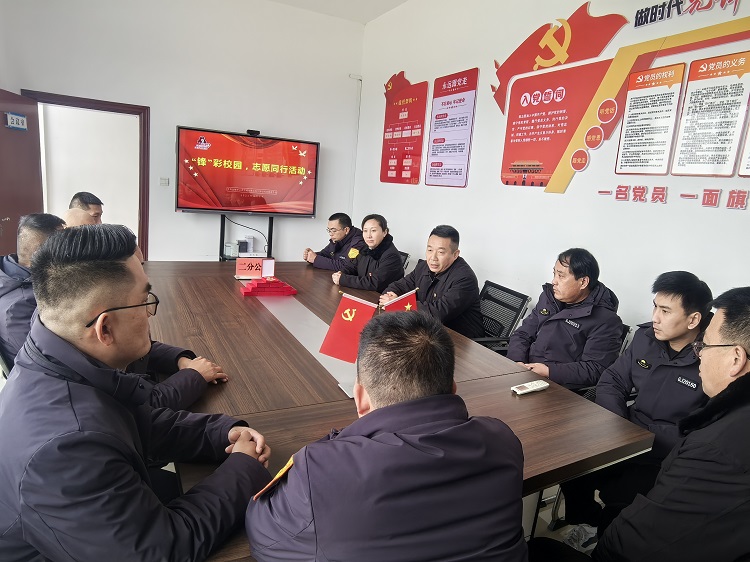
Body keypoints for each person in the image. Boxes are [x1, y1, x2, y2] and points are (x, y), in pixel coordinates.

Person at [0, 224, 273, 561]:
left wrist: (219, 433)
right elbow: (162, 550)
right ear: (105, 329)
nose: (149, 313)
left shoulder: (56, 355)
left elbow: (134, 422)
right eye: (144, 301)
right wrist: (244, 469)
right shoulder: (66, 450)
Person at [246, 312, 528, 561]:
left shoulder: (321, 471)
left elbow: (264, 538)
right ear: (453, 388)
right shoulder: (502, 441)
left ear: (360, 399)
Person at [560, 271, 712, 550]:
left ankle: (607, 542)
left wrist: (637, 435)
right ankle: (590, 522)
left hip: (665, 454)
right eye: (655, 307)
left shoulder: (713, 359)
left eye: (665, 311)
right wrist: (618, 424)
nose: (655, 317)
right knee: (569, 465)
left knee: (621, 498)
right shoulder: (646, 338)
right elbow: (612, 380)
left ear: (693, 320)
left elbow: (704, 431)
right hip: (626, 433)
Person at [507, 248, 622, 389]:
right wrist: (517, 361)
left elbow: (595, 369)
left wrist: (549, 371)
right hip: (525, 372)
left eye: (561, 276)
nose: (553, 281)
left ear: (583, 282)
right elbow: (523, 333)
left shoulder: (606, 320)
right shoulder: (549, 298)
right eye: (554, 274)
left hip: (558, 386)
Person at [379, 224, 484, 338]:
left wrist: (398, 304)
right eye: (429, 250)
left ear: (455, 254)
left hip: (461, 340)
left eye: (440, 252)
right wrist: (390, 297)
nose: (433, 258)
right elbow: (399, 285)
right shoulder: (423, 267)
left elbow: (437, 313)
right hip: (427, 330)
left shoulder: (465, 279)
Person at [0, 213, 65, 368]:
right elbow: (49, 363)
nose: (68, 253)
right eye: (63, 247)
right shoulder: (18, 308)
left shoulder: (12, 274)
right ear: (41, 253)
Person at [333, 213, 404, 293]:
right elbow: (352, 267)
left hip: (380, 298)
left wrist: (343, 279)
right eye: (365, 231)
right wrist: (341, 273)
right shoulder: (365, 248)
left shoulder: (391, 256)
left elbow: (375, 283)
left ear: (384, 232)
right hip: (363, 293)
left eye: (373, 230)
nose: (368, 235)